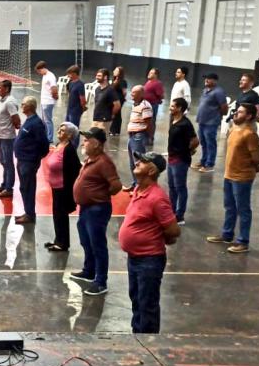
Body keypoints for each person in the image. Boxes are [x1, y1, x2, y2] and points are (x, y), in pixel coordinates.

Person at [119, 151, 181, 333]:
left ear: (152, 170)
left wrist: (156, 238)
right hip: (135, 258)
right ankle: (137, 336)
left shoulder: (157, 198)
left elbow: (173, 230)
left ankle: (148, 342)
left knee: (147, 304)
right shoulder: (139, 190)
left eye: (143, 161)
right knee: (137, 299)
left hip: (149, 260)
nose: (137, 162)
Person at [72, 128, 122, 295]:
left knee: (98, 245)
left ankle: (101, 281)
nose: (84, 142)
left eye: (87, 140)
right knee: (86, 241)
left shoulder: (104, 163)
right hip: (86, 208)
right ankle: (89, 270)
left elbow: (116, 186)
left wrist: (100, 195)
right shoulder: (91, 159)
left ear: (97, 144)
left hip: (97, 209)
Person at [207, 103, 259, 254]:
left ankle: (243, 241)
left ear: (249, 116)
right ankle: (227, 234)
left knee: (243, 209)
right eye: (237, 111)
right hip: (229, 174)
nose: (236, 114)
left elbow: (257, 158)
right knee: (230, 207)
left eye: (240, 112)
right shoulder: (233, 129)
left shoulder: (250, 135)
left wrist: (248, 164)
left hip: (242, 177)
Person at [44, 122, 81, 252]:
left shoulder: (69, 149)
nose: (59, 131)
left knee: (61, 215)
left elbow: (76, 168)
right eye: (59, 128)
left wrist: (71, 189)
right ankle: (58, 239)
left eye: (63, 130)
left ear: (70, 135)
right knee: (57, 214)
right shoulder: (59, 145)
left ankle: (63, 243)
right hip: (56, 186)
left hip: (63, 187)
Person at [14, 97, 50, 224]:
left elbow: (44, 144)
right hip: (22, 160)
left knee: (28, 188)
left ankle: (30, 214)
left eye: (23, 104)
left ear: (30, 106)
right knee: (24, 187)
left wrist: (35, 158)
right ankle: (27, 212)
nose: (21, 106)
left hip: (28, 162)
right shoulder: (29, 120)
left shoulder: (36, 123)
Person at [167, 98, 198, 224]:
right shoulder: (173, 120)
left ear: (179, 108)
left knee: (180, 187)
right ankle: (171, 211)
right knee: (172, 186)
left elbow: (195, 141)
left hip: (180, 160)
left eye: (173, 106)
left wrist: (187, 150)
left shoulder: (185, 124)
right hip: (171, 158)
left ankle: (180, 216)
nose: (170, 108)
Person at [0, 80, 21, 199]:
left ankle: (9, 189)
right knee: (4, 162)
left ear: (7, 89)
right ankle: (4, 184)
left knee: (8, 163)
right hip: (1, 136)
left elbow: (16, 118)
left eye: (0, 88)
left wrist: (15, 126)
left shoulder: (9, 102)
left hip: (7, 137)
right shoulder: (3, 100)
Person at [194, 73, 228, 173]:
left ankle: (210, 164)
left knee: (210, 144)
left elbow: (224, 107)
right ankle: (203, 161)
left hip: (211, 122)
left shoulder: (218, 92)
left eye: (209, 78)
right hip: (202, 121)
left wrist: (217, 116)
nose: (206, 80)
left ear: (215, 80)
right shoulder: (205, 90)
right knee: (203, 143)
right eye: (205, 78)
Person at [124, 85, 153, 191]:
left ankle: (140, 187)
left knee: (139, 164)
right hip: (132, 136)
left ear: (141, 94)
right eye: (131, 92)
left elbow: (149, 123)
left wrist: (149, 137)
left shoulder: (145, 106)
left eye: (134, 92)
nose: (131, 94)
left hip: (138, 137)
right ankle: (135, 184)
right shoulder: (135, 104)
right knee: (132, 163)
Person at [37, 61, 59, 142]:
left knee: (48, 121)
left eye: (39, 71)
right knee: (44, 121)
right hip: (44, 101)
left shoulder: (50, 76)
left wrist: (54, 97)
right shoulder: (45, 75)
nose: (39, 73)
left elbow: (54, 88)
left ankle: (49, 138)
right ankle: (45, 135)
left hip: (48, 102)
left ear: (43, 68)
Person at [143, 68, 164, 146]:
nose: (149, 74)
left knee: (151, 122)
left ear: (156, 75)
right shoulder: (148, 82)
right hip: (146, 105)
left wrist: (158, 100)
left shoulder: (157, 83)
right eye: (149, 72)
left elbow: (161, 95)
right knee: (146, 121)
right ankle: (145, 137)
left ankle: (150, 138)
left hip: (152, 105)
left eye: (151, 73)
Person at [65, 65, 86, 130]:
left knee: (74, 128)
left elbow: (82, 99)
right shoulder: (71, 83)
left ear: (74, 74)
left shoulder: (80, 84)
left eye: (69, 74)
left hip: (76, 110)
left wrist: (83, 108)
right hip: (69, 109)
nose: (68, 76)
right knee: (67, 127)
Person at [109, 66, 127, 137]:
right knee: (116, 114)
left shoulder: (122, 81)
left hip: (119, 99)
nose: (114, 71)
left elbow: (124, 92)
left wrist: (122, 99)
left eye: (116, 70)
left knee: (116, 114)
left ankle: (114, 130)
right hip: (113, 99)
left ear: (120, 73)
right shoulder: (113, 80)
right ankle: (114, 130)